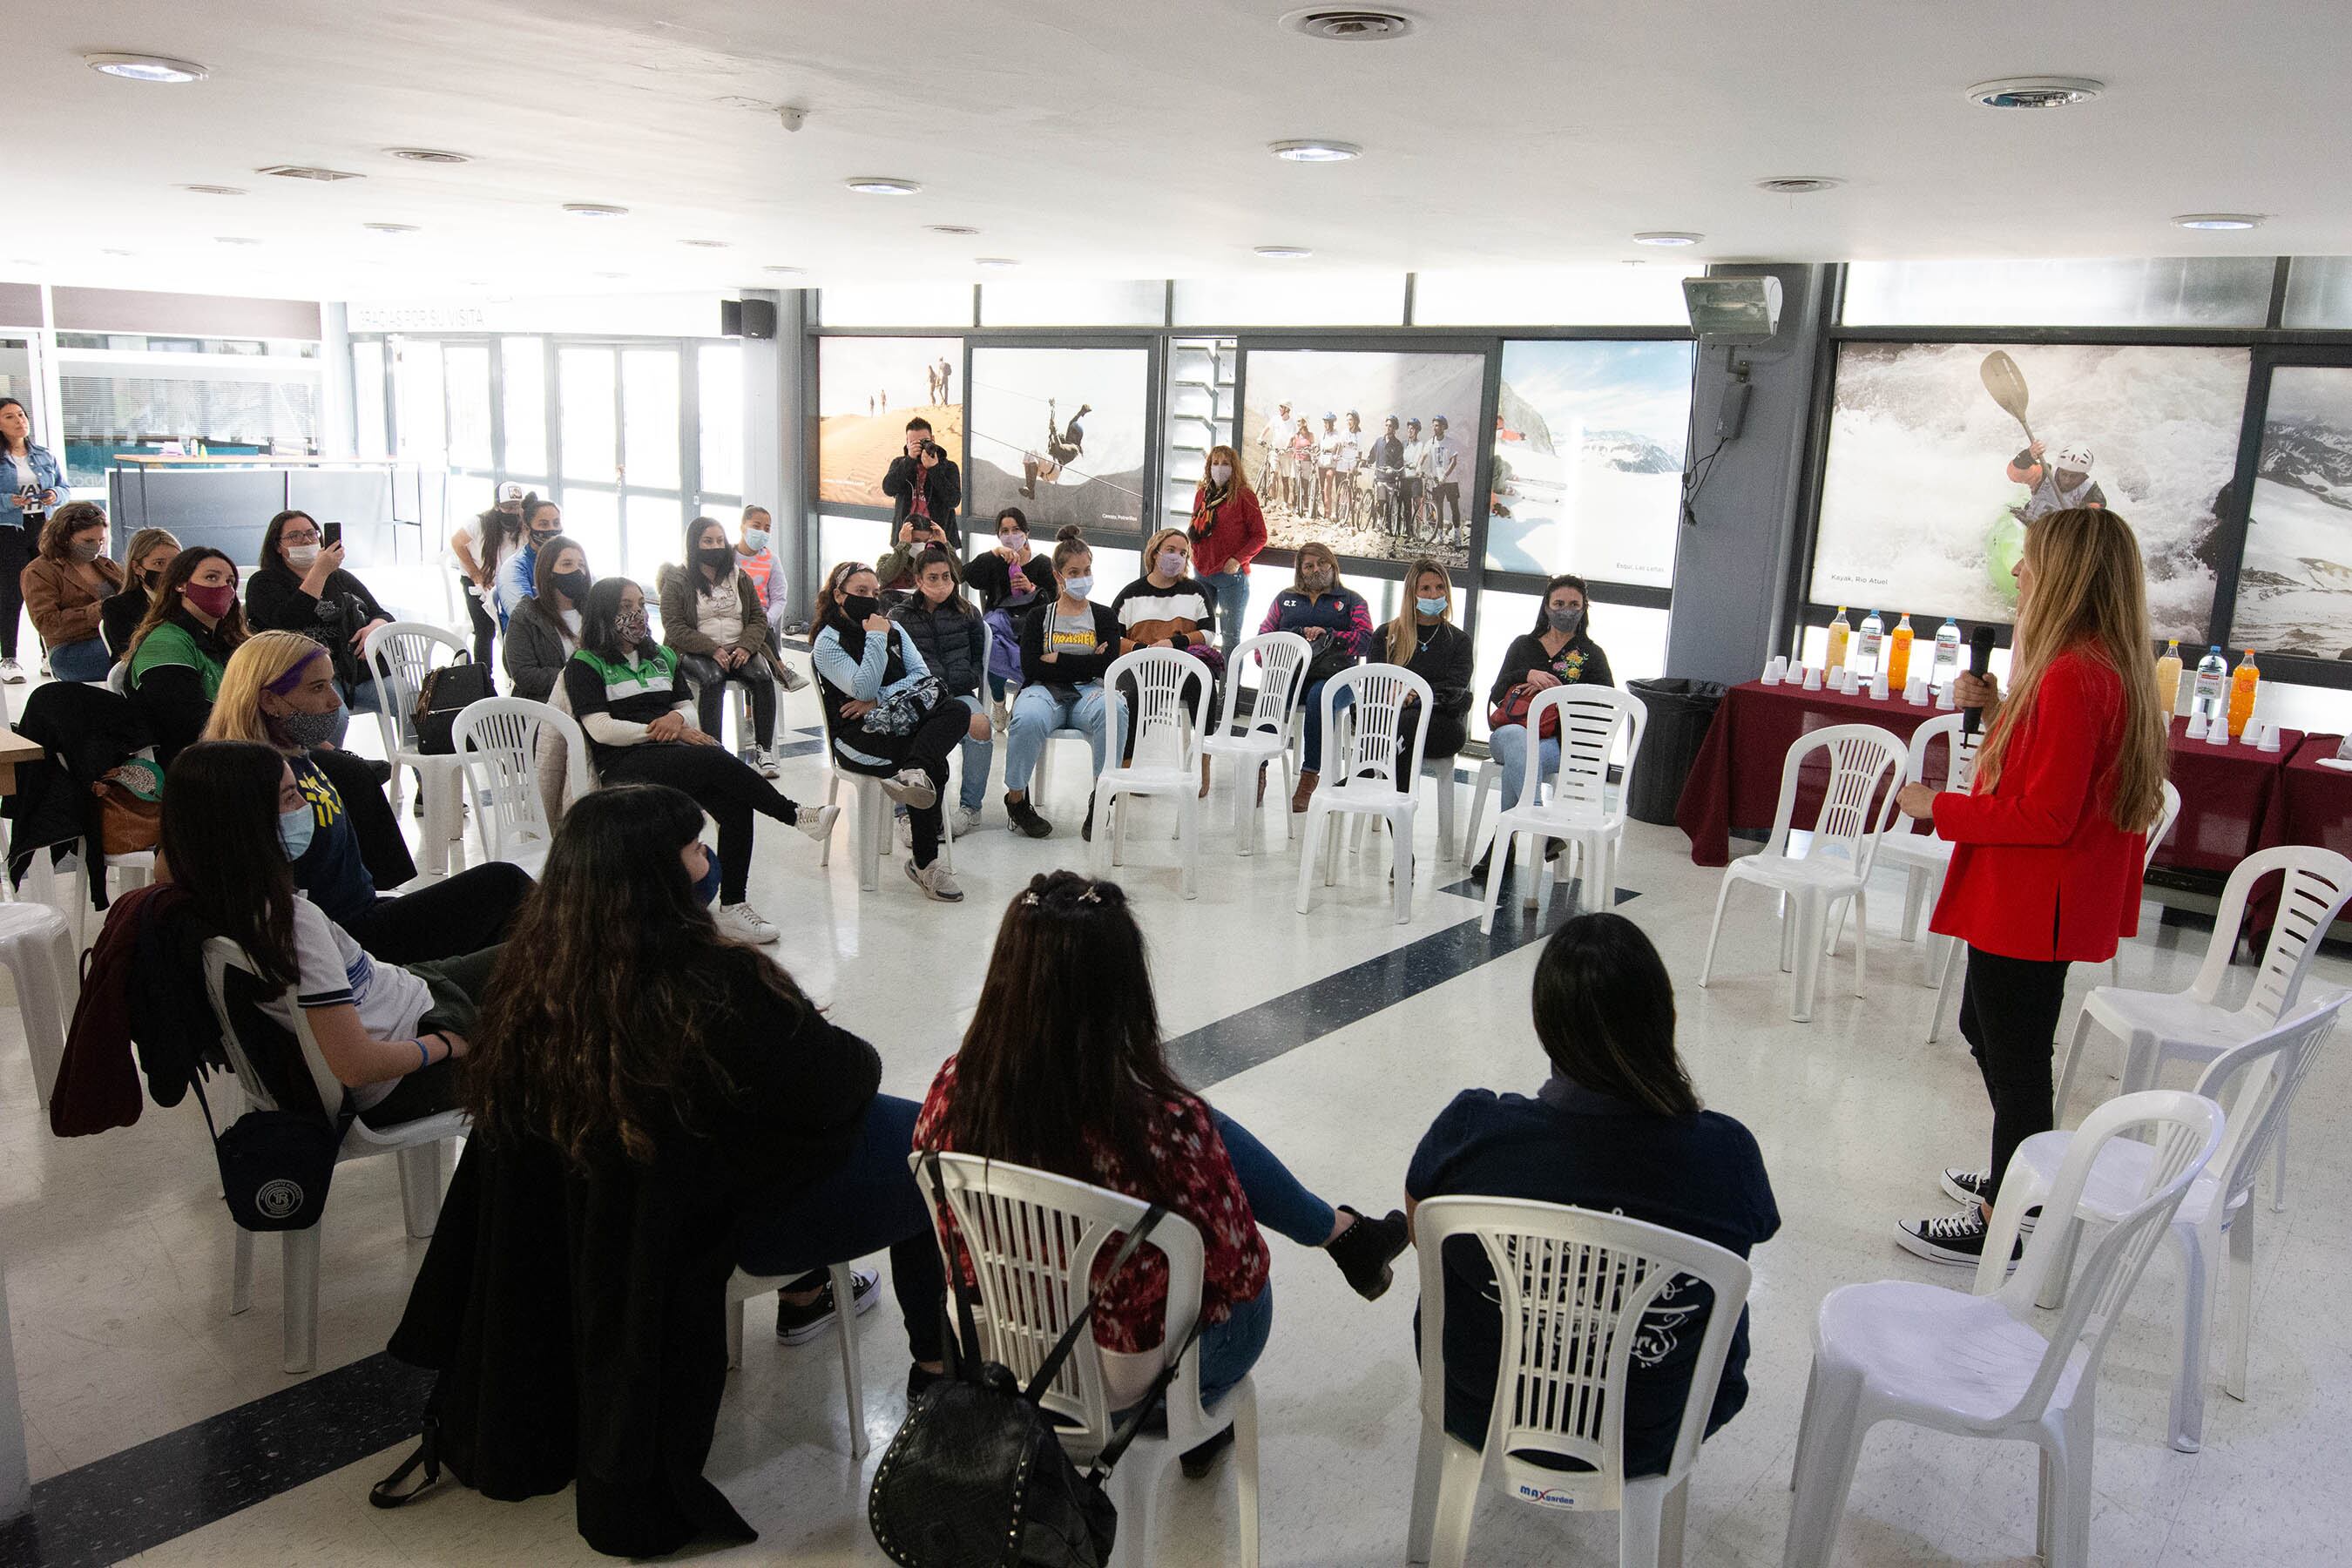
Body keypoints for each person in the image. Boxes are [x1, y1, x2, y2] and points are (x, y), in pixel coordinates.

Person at [390, 784, 950, 1557]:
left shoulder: (533, 977)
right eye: (694, 847)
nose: (707, 860)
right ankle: (935, 1363)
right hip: (718, 1220)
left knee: (872, 1126)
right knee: (932, 1144)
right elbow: (846, 1075)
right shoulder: (712, 984)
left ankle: (818, 1292)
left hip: (625, 1220)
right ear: (658, 876)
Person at [914, 872, 1409, 1469]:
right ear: (1124, 991)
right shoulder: (1164, 1129)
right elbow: (1241, 1272)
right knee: (1212, 1169)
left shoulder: (951, 1091)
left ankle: (1343, 1232)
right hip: (1133, 1382)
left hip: (1008, 1353)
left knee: (1194, 1123)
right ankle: (1204, 1410)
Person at [1406, 912, 1780, 1477]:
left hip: (1481, 1410)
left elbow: (1420, 1233)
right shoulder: (1726, 1156)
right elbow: (1750, 1237)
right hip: (1653, 1431)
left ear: (1546, 1025)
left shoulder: (1471, 1133)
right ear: (1664, 1018)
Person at [1893, 507, 2169, 1264]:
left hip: (2031, 897)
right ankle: (2020, 1173)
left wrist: (1936, 805)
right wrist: (2002, 709)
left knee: (2014, 1057)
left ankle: (2010, 1218)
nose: (2018, 572)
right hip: (2038, 894)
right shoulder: (2091, 663)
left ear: (2068, 573)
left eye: (2031, 560)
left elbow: (2047, 814)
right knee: (1989, 1033)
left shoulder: (2074, 675)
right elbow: (2062, 767)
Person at [158, 740, 490, 1128]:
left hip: (400, 997)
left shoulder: (199, 901)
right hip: (405, 1056)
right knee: (560, 1003)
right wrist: (447, 1044)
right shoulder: (293, 924)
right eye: (290, 797)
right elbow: (357, 1065)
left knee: (541, 957)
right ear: (244, 823)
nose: (305, 807)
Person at [205, 631, 533, 963]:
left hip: (365, 912)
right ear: (269, 700)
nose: (335, 701)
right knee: (503, 885)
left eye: (331, 684)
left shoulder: (299, 756)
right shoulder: (252, 778)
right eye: (318, 688)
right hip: (342, 939)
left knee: (512, 915)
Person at [564, 578, 835, 944]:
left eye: (641, 604)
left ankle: (733, 907)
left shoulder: (662, 656)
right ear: (604, 613)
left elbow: (687, 711)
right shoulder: (585, 663)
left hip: (672, 754)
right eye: (626, 606)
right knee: (712, 758)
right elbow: (600, 728)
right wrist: (663, 730)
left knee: (736, 805)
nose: (637, 614)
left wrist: (677, 723)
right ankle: (795, 814)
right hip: (625, 764)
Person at [810, 562, 967, 902]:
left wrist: (880, 697)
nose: (870, 599)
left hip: (902, 722)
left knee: (957, 709)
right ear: (839, 596)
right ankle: (926, 863)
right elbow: (862, 688)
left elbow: (923, 677)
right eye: (860, 592)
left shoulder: (895, 628)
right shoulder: (828, 642)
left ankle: (914, 774)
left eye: (874, 592)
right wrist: (876, 638)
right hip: (856, 737)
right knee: (933, 762)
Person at [1484, 575, 1617, 864]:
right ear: (1546, 607)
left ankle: (1503, 843)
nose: (1566, 610)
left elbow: (1605, 707)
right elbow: (1496, 693)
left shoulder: (1591, 655)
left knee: (1519, 765)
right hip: (1509, 734)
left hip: (1558, 745)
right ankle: (1542, 829)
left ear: (1583, 610)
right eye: (1559, 603)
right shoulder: (1523, 645)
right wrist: (1525, 675)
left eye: (1573, 604)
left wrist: (1563, 694)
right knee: (1520, 742)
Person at [1003, 527, 1119, 841]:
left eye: (1087, 570)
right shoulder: (1039, 615)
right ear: (1058, 575)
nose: (1082, 578)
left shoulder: (1105, 617)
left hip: (1089, 692)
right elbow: (1029, 666)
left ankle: (1102, 796)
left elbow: (1108, 666)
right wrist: (1085, 661)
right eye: (1074, 572)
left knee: (1116, 707)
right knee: (1027, 717)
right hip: (1043, 691)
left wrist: (1058, 660)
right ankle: (1016, 800)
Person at [658, 517, 785, 777]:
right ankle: (712, 748)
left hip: (740, 646)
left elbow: (758, 618)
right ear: (694, 544)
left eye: (719, 540)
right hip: (696, 649)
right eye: (707, 541)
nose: (715, 546)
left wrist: (747, 647)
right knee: (713, 678)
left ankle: (764, 750)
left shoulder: (740, 577)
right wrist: (711, 649)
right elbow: (674, 626)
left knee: (762, 677)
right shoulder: (678, 580)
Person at [1257, 543, 1374, 812]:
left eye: (1322, 564)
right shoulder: (1285, 599)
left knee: (1319, 696)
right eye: (1309, 566)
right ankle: (1258, 768)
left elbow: (1367, 640)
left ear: (1333, 567)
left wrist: (1330, 635)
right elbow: (1263, 638)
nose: (1316, 570)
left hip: (1337, 678)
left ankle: (1309, 776)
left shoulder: (1352, 601)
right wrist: (1289, 642)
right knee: (1269, 694)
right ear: (1300, 571)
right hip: (1293, 674)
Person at [887, 547, 993, 840]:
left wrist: (965, 676)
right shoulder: (900, 616)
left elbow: (977, 657)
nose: (941, 583)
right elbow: (893, 665)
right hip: (919, 695)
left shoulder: (967, 612)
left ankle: (970, 808)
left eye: (946, 576)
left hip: (958, 692)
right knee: (904, 727)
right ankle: (906, 812)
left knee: (981, 725)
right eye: (933, 577)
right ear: (918, 581)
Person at [243, 510, 394, 713]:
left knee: (418, 703)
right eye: (294, 536)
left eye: (311, 533)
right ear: (278, 546)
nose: (305, 540)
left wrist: (374, 628)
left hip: (356, 671)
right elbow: (289, 622)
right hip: (304, 677)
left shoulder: (340, 577)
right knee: (334, 718)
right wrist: (320, 572)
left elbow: (381, 614)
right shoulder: (263, 582)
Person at [1111, 530, 1220, 790]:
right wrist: (1142, 649)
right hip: (1141, 666)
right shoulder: (1131, 593)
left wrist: (1174, 643)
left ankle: (1202, 762)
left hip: (1181, 666)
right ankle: (1128, 766)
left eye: (1183, 553)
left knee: (1204, 687)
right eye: (1171, 550)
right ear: (1155, 552)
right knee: (1133, 699)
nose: (1176, 557)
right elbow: (1112, 636)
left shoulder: (1196, 591)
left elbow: (1208, 634)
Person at [125, 547, 249, 767]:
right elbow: (187, 725)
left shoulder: (223, 641)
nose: (224, 587)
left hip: (231, 747)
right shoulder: (165, 644)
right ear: (180, 585)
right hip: (194, 763)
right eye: (212, 577)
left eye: (230, 581)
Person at [1386, 558, 1475, 774]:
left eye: (1440, 587)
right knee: (1393, 726)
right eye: (1425, 588)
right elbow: (1374, 682)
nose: (1434, 595)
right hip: (1390, 715)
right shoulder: (1387, 634)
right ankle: (1397, 800)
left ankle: (1366, 781)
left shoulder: (1459, 640)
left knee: (1404, 725)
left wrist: (1414, 694)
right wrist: (1395, 693)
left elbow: (1454, 689)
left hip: (1441, 724)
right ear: (1411, 593)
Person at [963, 506, 1052, 722]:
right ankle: (999, 700)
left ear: (1026, 533)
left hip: (1032, 626)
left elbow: (1054, 600)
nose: (1011, 535)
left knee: (1032, 653)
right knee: (993, 647)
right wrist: (994, 554)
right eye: (1005, 531)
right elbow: (966, 575)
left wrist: (1032, 588)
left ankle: (1023, 702)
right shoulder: (995, 561)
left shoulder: (1042, 563)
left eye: (1016, 529)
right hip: (1001, 626)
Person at [20, 502, 125, 683]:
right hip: (68, 651)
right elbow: (46, 623)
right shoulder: (39, 571)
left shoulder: (107, 565)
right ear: (64, 537)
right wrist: (101, 611)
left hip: (113, 639)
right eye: (88, 541)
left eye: (101, 540)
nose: (97, 546)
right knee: (143, 652)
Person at [0, 395, 65, 683]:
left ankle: (49, 654)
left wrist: (54, 495)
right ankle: (9, 658)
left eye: (21, 415)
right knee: (11, 594)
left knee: (47, 592)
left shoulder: (43, 454)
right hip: (9, 529)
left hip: (43, 526)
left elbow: (64, 487)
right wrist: (8, 501)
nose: (19, 421)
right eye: (10, 417)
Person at [1186, 445, 1267, 656]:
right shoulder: (1202, 494)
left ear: (1234, 468)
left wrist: (1238, 559)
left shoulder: (1244, 496)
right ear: (1208, 466)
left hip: (1230, 576)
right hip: (1202, 573)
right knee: (1201, 633)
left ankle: (1229, 688)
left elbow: (1260, 536)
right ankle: (1203, 685)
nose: (1219, 468)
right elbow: (1195, 527)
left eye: (1225, 464)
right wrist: (1192, 554)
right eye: (1215, 463)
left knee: (1230, 638)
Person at [501, 535, 590, 703]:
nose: (578, 571)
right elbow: (524, 674)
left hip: (594, 701)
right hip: (545, 706)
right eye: (567, 564)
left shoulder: (594, 611)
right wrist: (577, 677)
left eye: (581, 565)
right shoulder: (526, 617)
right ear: (548, 572)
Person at [451, 482, 525, 669]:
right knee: (485, 631)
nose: (513, 511)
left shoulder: (523, 525)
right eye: (508, 507)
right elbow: (457, 542)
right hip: (477, 581)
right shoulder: (479, 523)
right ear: (497, 506)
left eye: (517, 506)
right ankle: (484, 675)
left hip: (506, 582)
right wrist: (475, 574)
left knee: (515, 628)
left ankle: (514, 671)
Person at [731, 504, 806, 685]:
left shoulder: (771, 560)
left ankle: (776, 670)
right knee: (754, 624)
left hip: (761, 619)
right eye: (756, 526)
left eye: (767, 528)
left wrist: (768, 618)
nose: (762, 532)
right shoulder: (728, 556)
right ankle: (780, 668)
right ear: (742, 527)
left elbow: (779, 598)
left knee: (758, 623)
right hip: (732, 616)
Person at [882, 417, 961, 548]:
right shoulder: (899, 463)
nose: (920, 447)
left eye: (924, 441)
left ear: (933, 440)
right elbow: (888, 489)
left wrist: (934, 469)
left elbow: (953, 500)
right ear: (907, 443)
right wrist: (909, 460)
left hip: (938, 538)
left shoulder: (949, 467)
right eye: (914, 443)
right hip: (906, 538)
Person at [102, 527, 178, 663]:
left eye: (176, 563)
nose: (169, 571)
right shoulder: (117, 607)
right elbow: (130, 654)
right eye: (159, 563)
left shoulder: (191, 600)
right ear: (137, 567)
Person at [492, 495, 563, 629]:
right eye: (543, 524)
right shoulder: (515, 568)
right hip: (530, 640)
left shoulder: (569, 558)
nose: (551, 529)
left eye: (556, 523)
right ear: (526, 529)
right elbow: (524, 618)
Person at [2005, 439, 2105, 524]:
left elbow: (2092, 523)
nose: (2067, 480)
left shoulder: (2091, 494)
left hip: (2054, 537)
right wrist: (2027, 456)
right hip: (2028, 522)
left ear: (2084, 474)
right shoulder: (2045, 474)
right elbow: (2014, 474)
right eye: (2064, 474)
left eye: (2073, 476)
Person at [1021, 399, 1091, 498]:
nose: (1070, 432)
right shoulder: (1069, 439)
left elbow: (1060, 448)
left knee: (1033, 453)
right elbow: (1072, 422)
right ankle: (1029, 488)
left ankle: (1030, 488)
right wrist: (1081, 412)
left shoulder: (1075, 449)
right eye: (1071, 430)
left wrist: (1054, 432)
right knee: (1028, 454)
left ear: (1078, 437)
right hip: (1049, 470)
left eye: (1073, 432)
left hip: (1055, 467)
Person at [1425, 415, 1465, 543]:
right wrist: (1418, 467)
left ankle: (1457, 536)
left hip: (1451, 481)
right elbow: (1423, 456)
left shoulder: (1450, 442)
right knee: (1439, 508)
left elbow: (1454, 462)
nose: (1434, 428)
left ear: (1443, 427)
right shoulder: (1430, 442)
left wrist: (1445, 476)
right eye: (1433, 425)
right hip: (1437, 481)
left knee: (1454, 507)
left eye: (1437, 425)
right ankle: (1440, 536)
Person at [1370, 416, 1410, 537]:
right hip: (1380, 478)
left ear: (1395, 429)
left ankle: (1388, 526)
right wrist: (1366, 461)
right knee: (1381, 501)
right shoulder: (1379, 441)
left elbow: (1399, 461)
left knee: (1389, 502)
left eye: (1391, 426)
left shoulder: (1398, 445)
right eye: (1387, 425)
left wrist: (1392, 469)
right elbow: (1372, 454)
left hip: (1391, 479)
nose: (1388, 428)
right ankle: (1378, 523)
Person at [1400, 418, 1430, 539]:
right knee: (1407, 505)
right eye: (1409, 429)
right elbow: (1400, 459)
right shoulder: (1404, 444)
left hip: (1415, 478)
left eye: (1412, 429)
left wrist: (1414, 464)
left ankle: (1418, 530)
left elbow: (1418, 458)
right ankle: (1408, 531)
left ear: (1417, 431)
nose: (1410, 431)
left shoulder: (1419, 444)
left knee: (1417, 503)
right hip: (1405, 477)